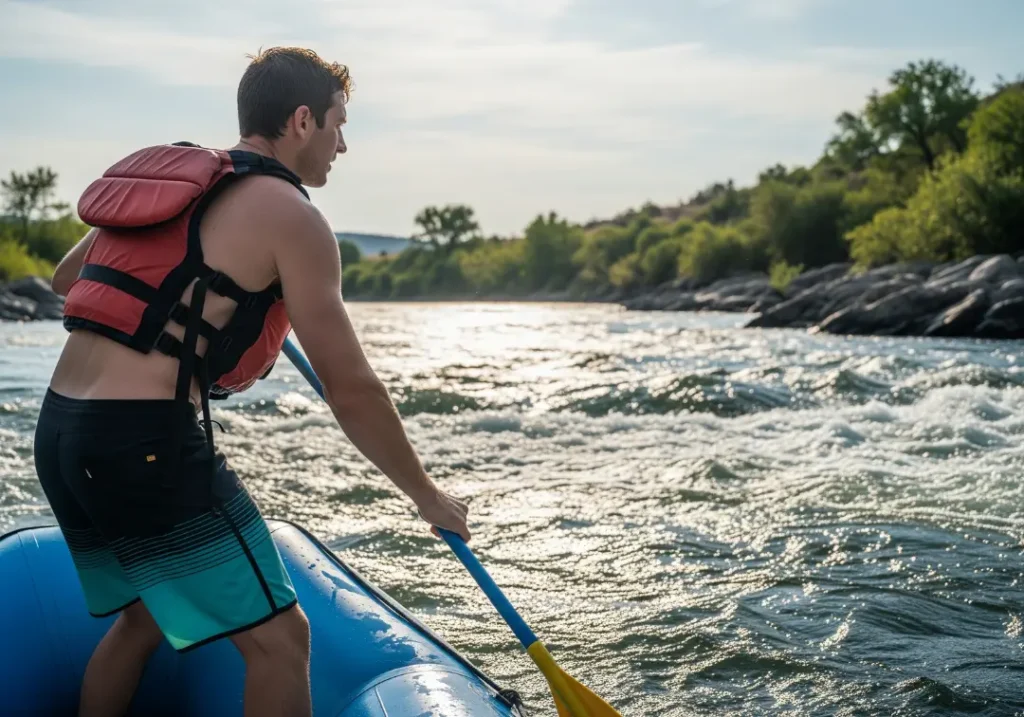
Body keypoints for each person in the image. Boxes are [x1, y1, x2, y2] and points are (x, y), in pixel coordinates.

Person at [34, 47, 471, 717]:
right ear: (301, 121)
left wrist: (216, 296)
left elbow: (71, 279)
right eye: (337, 124)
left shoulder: (182, 182)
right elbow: (352, 389)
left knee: (145, 617)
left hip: (60, 433)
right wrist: (427, 495)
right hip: (140, 444)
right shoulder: (293, 218)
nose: (342, 144)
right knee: (281, 640)